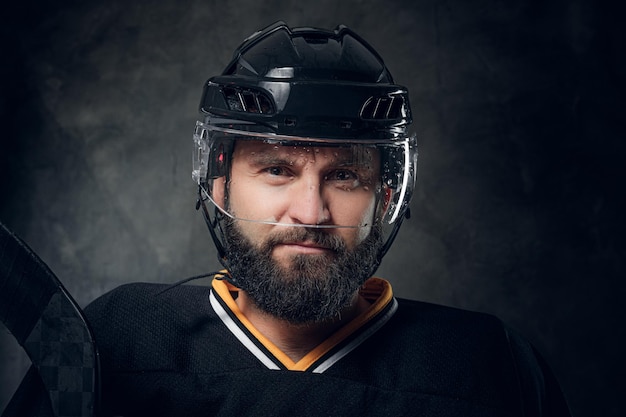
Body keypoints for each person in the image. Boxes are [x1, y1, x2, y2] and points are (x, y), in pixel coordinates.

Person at [5, 21, 571, 417]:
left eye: (345, 176)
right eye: (276, 169)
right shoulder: (118, 340)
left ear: (386, 193)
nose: (310, 211)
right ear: (221, 183)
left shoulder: (490, 365)